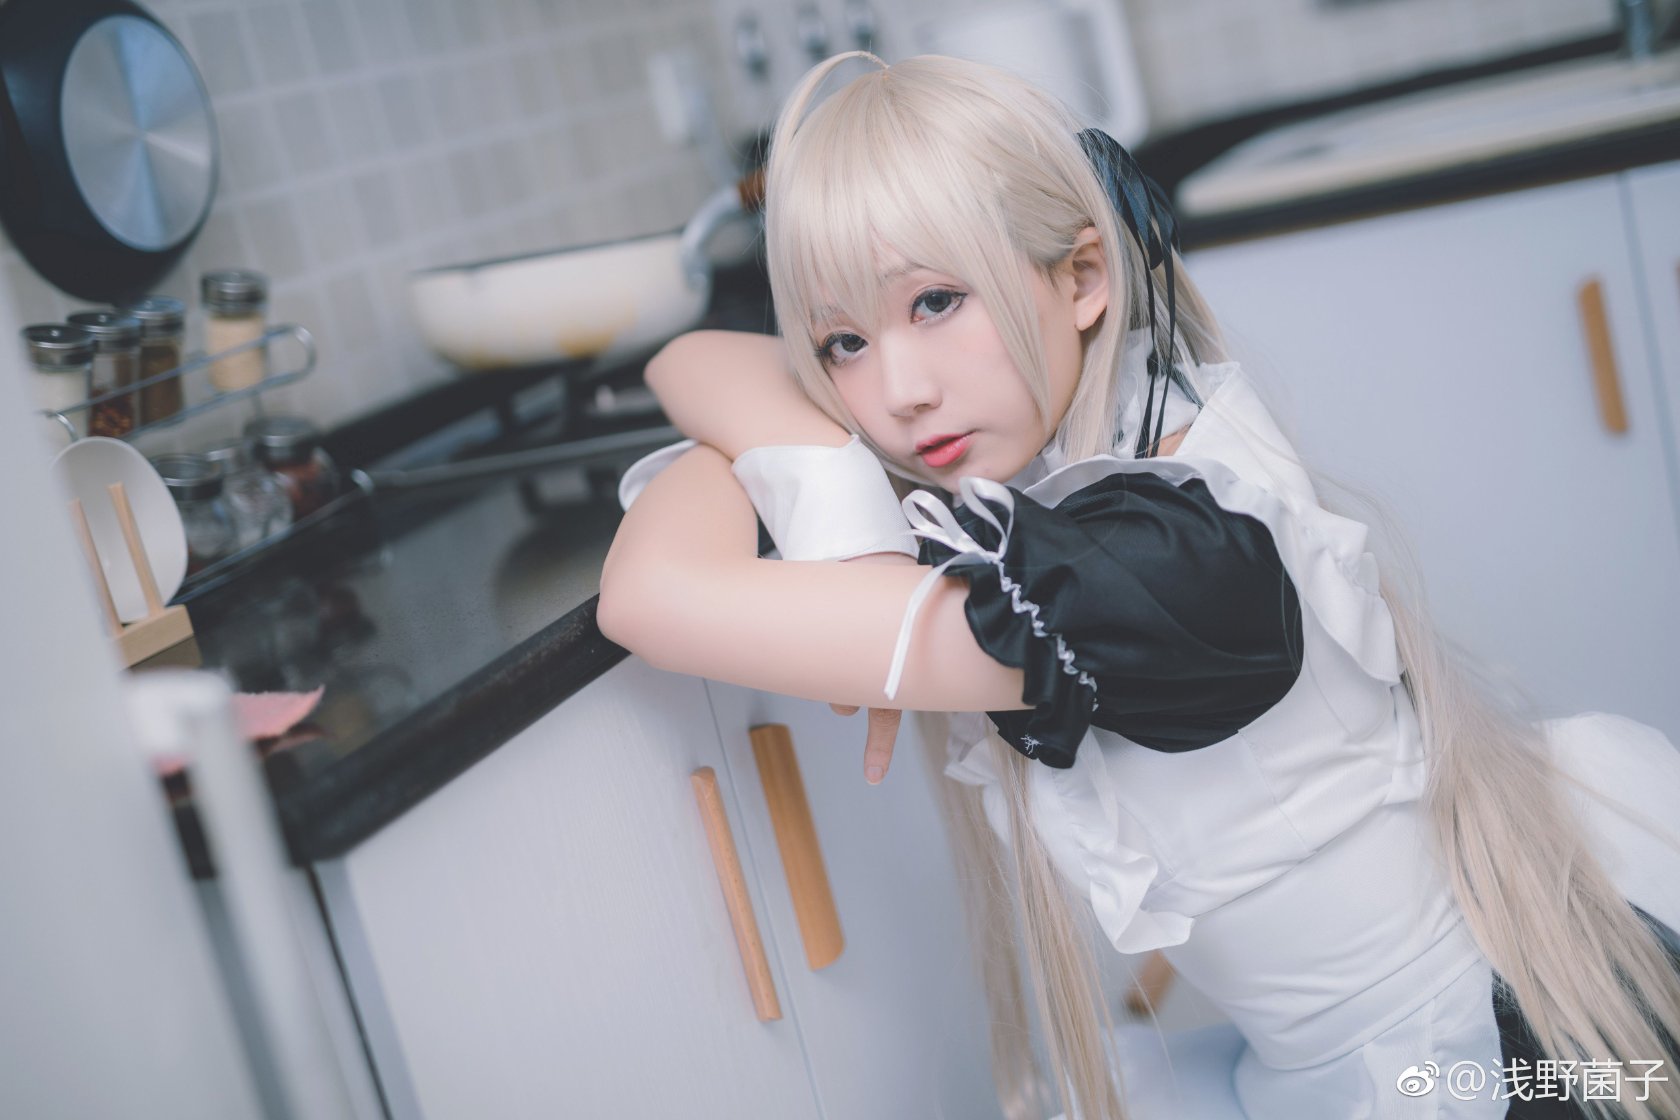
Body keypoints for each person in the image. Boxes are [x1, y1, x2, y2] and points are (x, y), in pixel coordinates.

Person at [598, 51, 1680, 1120]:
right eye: (843, 342)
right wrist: (839, 506)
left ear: (1082, 278)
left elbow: (648, 593)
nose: (897, 393)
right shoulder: (1123, 431)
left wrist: (833, 504)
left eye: (936, 302)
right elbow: (689, 360)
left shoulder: (1149, 571)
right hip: (1359, 1049)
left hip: (1470, 1063)